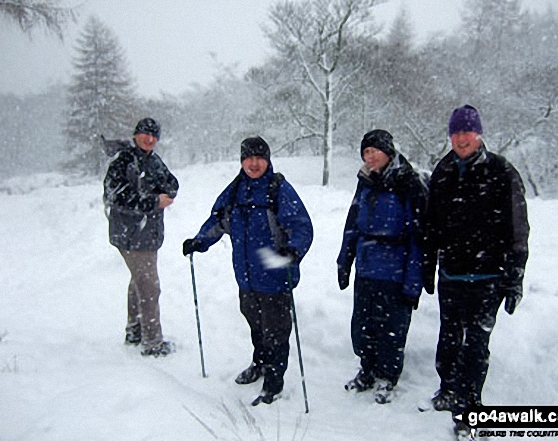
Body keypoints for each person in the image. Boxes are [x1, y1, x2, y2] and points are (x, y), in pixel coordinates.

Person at [182, 136, 313, 405]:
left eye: (259, 158)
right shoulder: (235, 190)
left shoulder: (278, 190)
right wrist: (200, 240)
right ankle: (260, 363)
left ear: (268, 160)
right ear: (242, 160)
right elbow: (218, 220)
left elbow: (301, 226)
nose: (254, 163)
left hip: (275, 276)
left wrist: (294, 250)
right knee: (256, 324)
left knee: (276, 331)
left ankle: (274, 383)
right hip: (246, 277)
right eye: (248, 158)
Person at [422, 105, 529, 423]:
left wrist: (515, 275)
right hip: (452, 272)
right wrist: (428, 264)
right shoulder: (443, 171)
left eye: (466, 132)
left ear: (478, 134)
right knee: (450, 335)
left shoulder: (501, 171)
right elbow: (431, 224)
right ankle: (448, 389)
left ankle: (471, 404)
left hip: (487, 275)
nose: (460, 138)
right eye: (455, 133)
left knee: (477, 341)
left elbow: (518, 228)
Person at [337, 129, 427, 404]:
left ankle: (387, 376)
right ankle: (367, 369)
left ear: (389, 152)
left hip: (394, 269)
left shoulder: (408, 183)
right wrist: (344, 260)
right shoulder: (365, 182)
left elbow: (418, 237)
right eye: (366, 152)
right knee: (363, 325)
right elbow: (352, 225)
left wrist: (414, 281)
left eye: (375, 151)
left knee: (392, 328)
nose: (370, 156)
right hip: (366, 267)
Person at [103, 117, 179, 357]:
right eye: (145, 134)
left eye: (154, 136)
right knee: (149, 287)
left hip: (147, 234)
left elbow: (172, 182)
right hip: (131, 234)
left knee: (139, 281)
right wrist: (152, 201)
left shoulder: (152, 160)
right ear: (135, 135)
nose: (150, 139)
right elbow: (115, 195)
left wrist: (167, 189)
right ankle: (153, 343)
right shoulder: (124, 160)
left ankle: (135, 331)